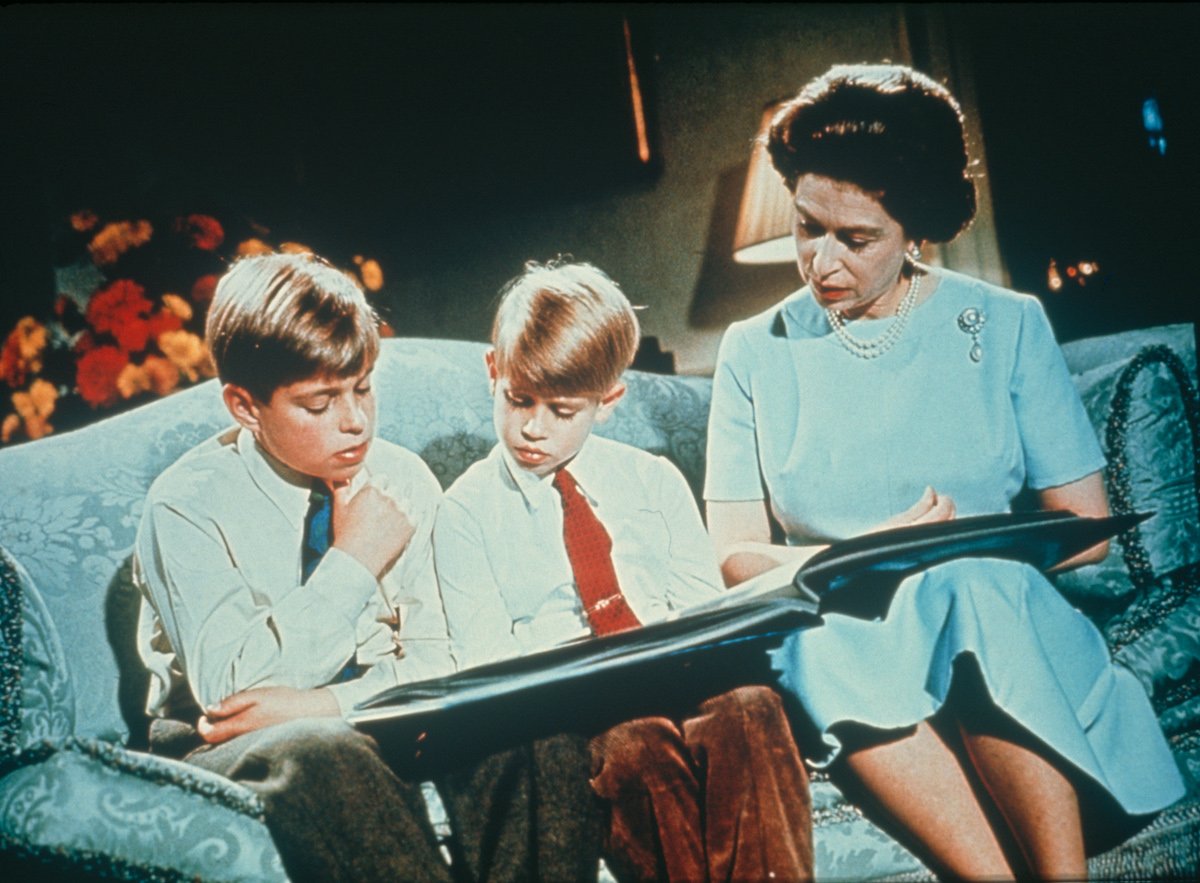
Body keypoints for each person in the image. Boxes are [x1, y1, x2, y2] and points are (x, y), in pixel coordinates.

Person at [704, 64, 1186, 880]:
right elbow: (735, 557)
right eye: (807, 226)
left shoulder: (1004, 323)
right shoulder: (753, 350)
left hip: (1003, 621)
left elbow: (1085, 530)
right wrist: (873, 547)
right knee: (811, 645)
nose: (822, 263)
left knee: (969, 587)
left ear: (915, 230)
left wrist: (950, 553)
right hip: (845, 631)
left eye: (856, 240)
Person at [134, 252, 601, 883]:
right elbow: (233, 695)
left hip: (372, 714)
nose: (354, 421)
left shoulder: (402, 477)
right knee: (320, 753)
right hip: (221, 743)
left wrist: (327, 703)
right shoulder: (185, 504)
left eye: (362, 388)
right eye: (319, 403)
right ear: (245, 407)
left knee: (534, 734)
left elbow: (449, 660)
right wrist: (354, 560)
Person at [434, 259, 814, 882]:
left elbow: (702, 613)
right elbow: (486, 664)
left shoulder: (652, 481)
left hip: (681, 679)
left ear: (608, 401)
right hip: (578, 708)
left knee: (751, 707)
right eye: (518, 400)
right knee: (637, 747)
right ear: (492, 372)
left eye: (561, 410)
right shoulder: (465, 511)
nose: (533, 427)